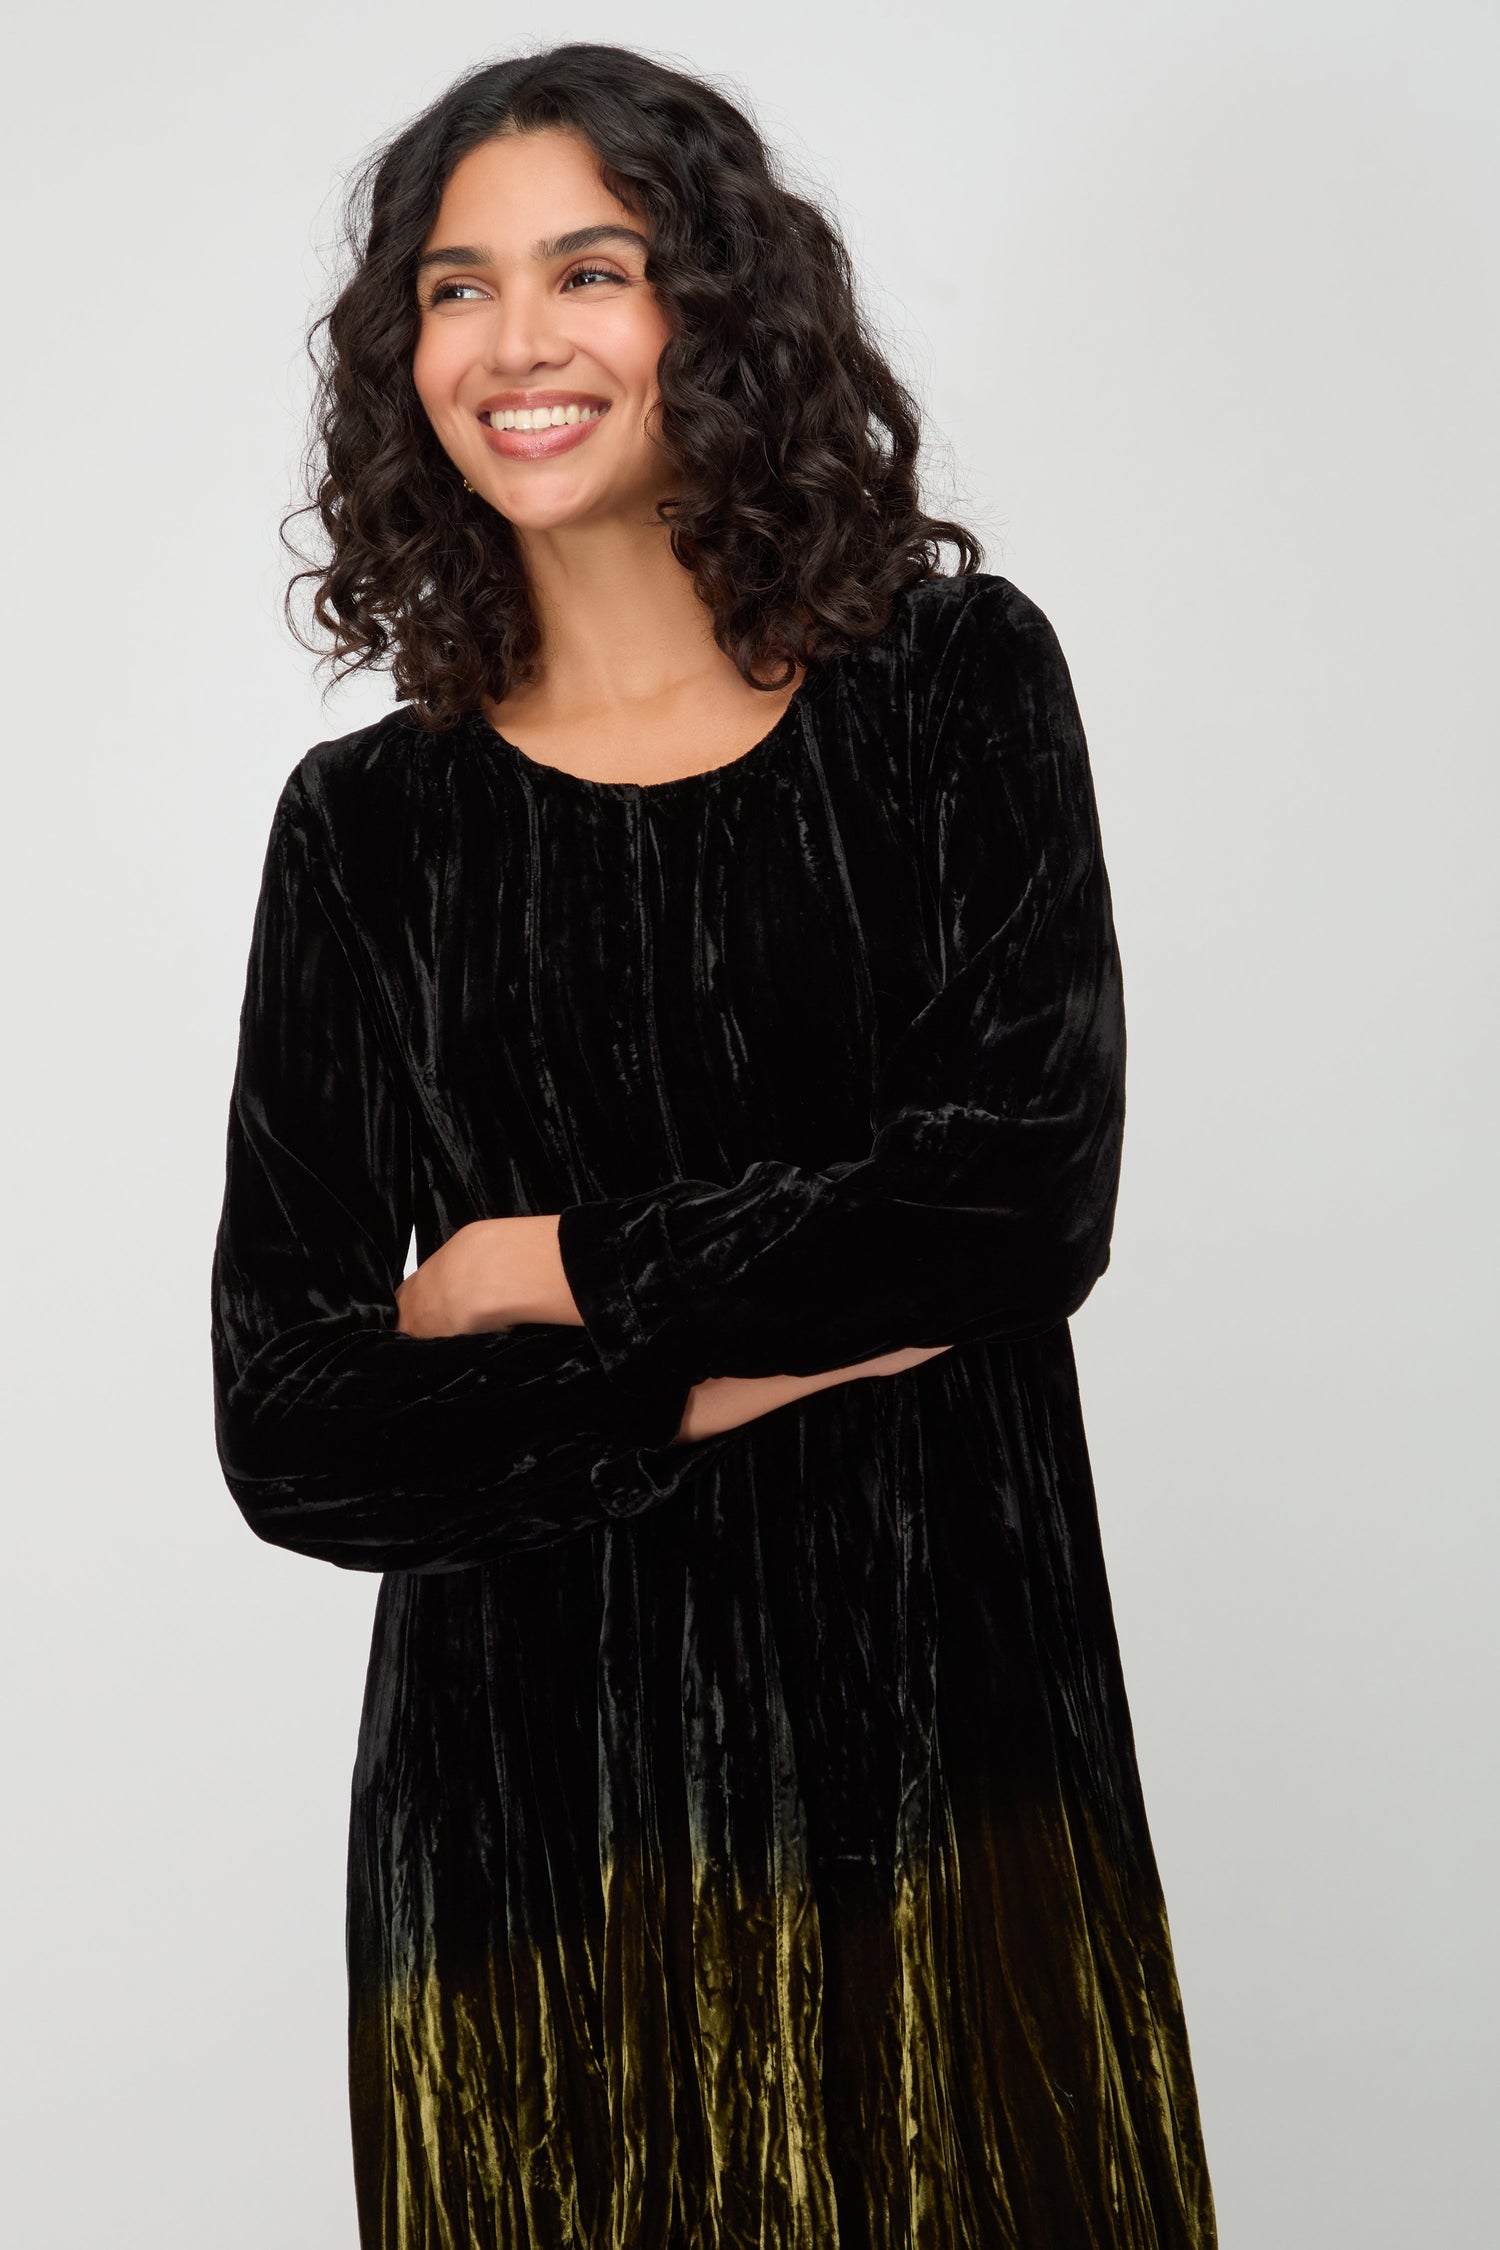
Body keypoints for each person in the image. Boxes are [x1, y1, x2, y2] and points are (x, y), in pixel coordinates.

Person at [210, 41, 1218, 2250]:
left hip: (947, 1762)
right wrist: (754, 1352)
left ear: (719, 311)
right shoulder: (371, 832)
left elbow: (1023, 1193)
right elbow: (294, 1426)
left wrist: (539, 1273)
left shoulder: (950, 688)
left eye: (593, 267)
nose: (516, 342)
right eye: (454, 289)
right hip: (526, 1846)